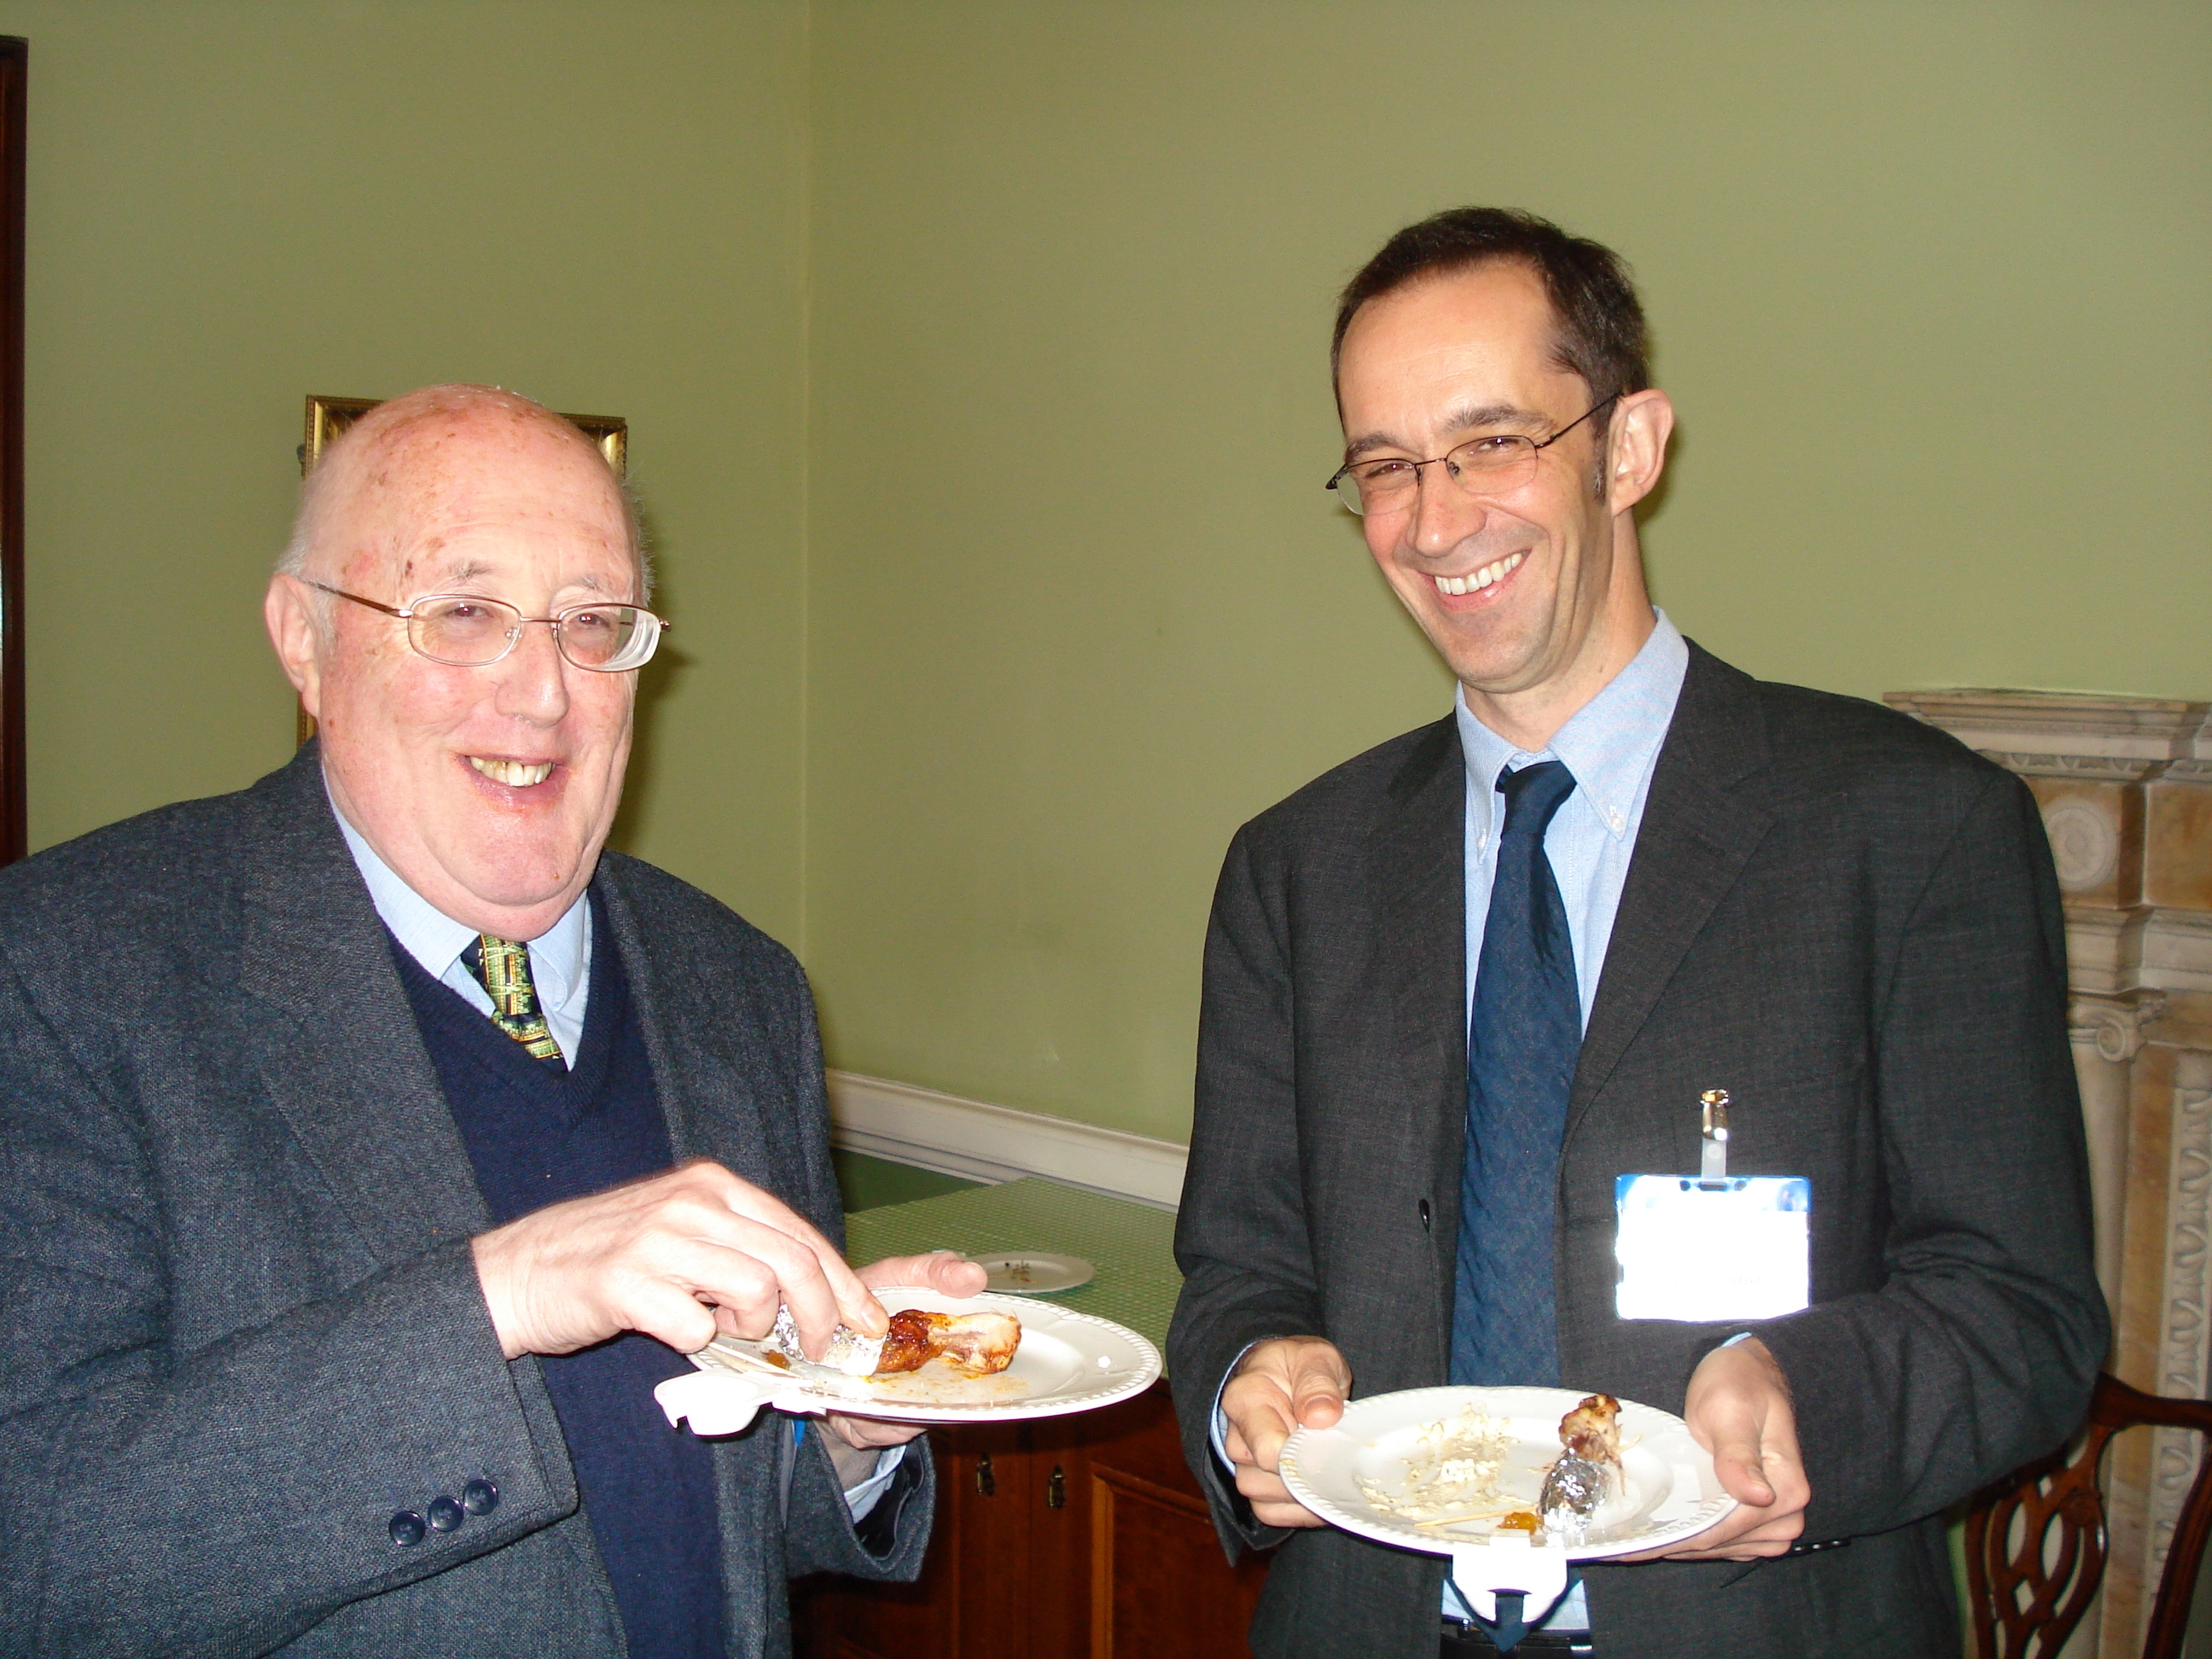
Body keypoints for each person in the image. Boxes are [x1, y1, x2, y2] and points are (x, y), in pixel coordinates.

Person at [1167, 209, 2107, 1658]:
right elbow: (1237, 1271)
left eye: (1491, 443)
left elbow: (2024, 1315)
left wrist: (1806, 1396)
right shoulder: (1295, 870)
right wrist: (1252, 1368)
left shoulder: (1912, 831)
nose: (1433, 523)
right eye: (1387, 467)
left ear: (1628, 448)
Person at [0, 385, 981, 1656]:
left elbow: (718, 1512)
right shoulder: (64, 974)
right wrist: (507, 1292)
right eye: (463, 613)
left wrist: (844, 1423)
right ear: (303, 639)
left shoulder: (741, 988)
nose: (542, 695)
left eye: (592, 623)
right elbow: (40, 1555)